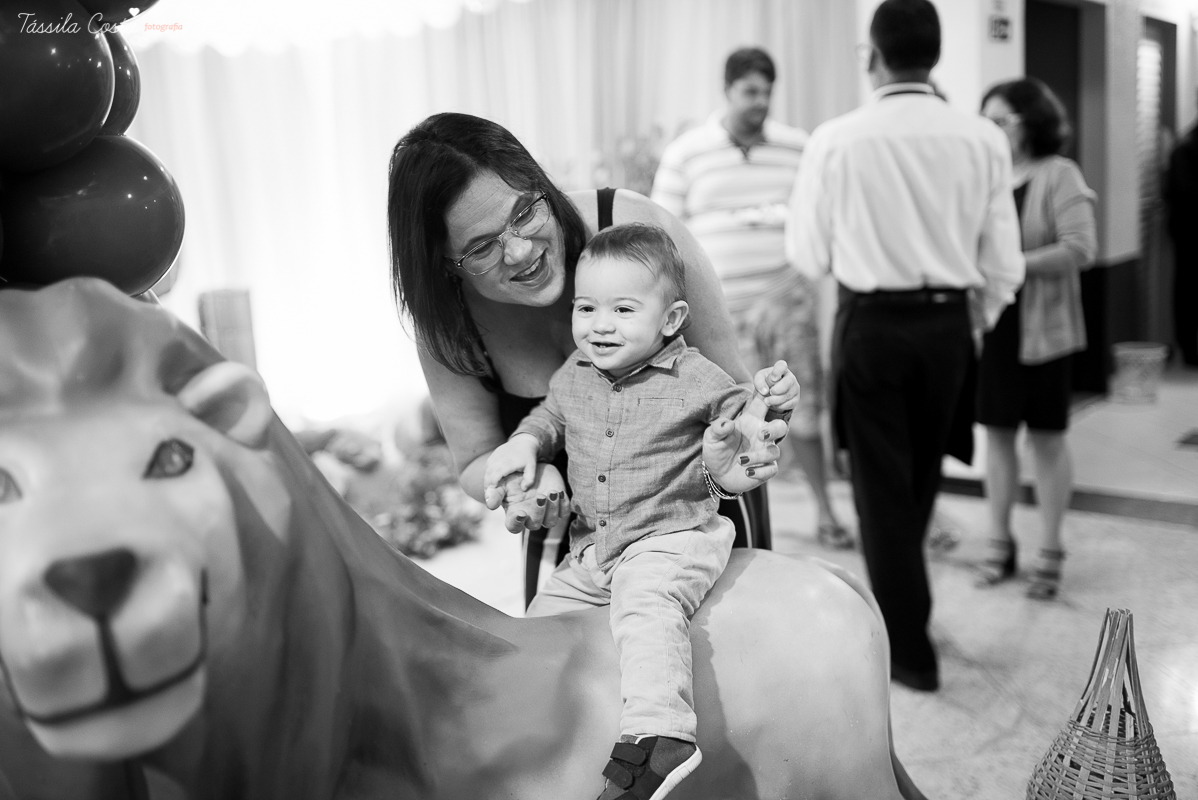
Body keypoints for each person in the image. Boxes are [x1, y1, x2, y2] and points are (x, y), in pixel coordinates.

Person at [387, 113, 798, 609]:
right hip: (572, 538)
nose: (519, 251)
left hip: (702, 514)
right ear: (443, 263)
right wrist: (527, 476)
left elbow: (734, 396)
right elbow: (476, 459)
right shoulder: (449, 324)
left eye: (523, 213)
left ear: (540, 183)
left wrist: (764, 415)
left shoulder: (636, 232)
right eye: (479, 248)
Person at [485, 223, 796, 800]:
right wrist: (526, 445)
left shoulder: (697, 377)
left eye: (624, 308)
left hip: (671, 535)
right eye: (586, 307)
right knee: (537, 624)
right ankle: (544, 731)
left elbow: (747, 425)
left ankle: (662, 734)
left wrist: (768, 406)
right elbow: (548, 418)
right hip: (591, 548)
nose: (600, 324)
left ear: (671, 320)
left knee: (646, 604)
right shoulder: (572, 374)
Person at [787, 0, 1025, 692]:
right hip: (949, 327)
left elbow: (806, 250)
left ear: (873, 54)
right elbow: (1003, 262)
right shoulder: (982, 136)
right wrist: (970, 321)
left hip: (874, 327)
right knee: (919, 476)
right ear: (937, 54)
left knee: (880, 486)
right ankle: (907, 611)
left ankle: (908, 648)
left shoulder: (836, 139)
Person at [651, 48, 853, 550]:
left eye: (766, 92)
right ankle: (731, 527)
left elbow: (820, 218)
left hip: (787, 300)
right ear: (728, 91)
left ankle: (826, 511)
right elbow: (661, 234)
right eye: (750, 92)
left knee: (801, 412)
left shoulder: (796, 147)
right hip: (716, 313)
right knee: (725, 416)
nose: (759, 102)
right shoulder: (687, 153)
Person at [974, 78, 1098, 600]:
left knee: (1046, 439)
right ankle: (998, 541)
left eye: (1001, 120)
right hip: (995, 328)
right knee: (998, 438)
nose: (993, 131)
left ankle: (1051, 545)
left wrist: (1011, 267)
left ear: (1030, 122)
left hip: (1044, 331)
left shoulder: (1059, 174)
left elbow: (1081, 248)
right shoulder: (986, 176)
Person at [1165, 100, 1198, 367]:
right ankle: (1189, 350)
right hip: (1190, 237)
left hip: (1186, 234)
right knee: (1188, 293)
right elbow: (1181, 194)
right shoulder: (1186, 149)